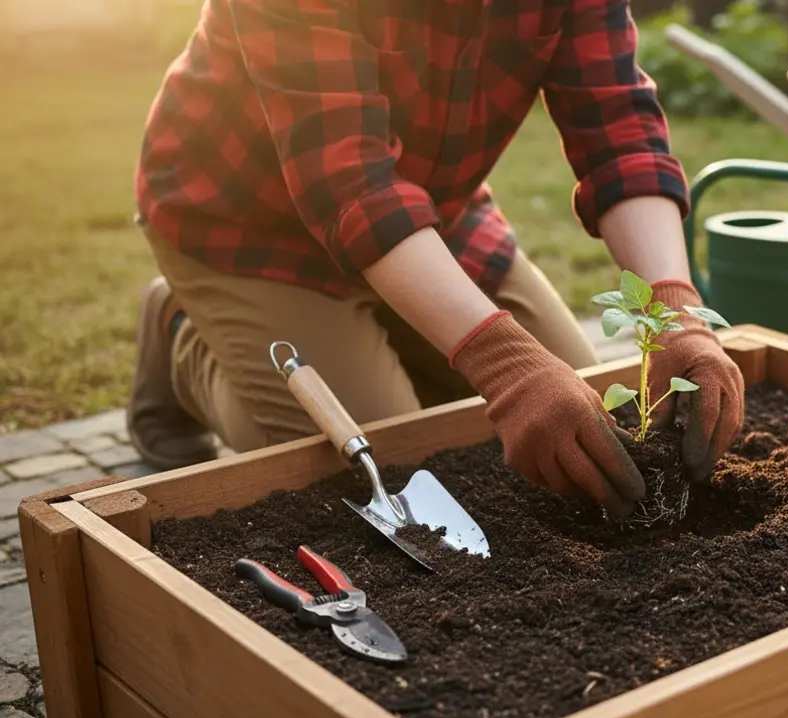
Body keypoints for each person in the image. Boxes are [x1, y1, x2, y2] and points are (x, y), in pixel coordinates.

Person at [128, 0, 745, 520]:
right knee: (375, 460)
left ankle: (391, 343)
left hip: (431, 210)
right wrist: (504, 365)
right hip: (249, 223)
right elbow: (349, 184)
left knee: (585, 425)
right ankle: (181, 333)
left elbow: (618, 128)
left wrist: (676, 309)